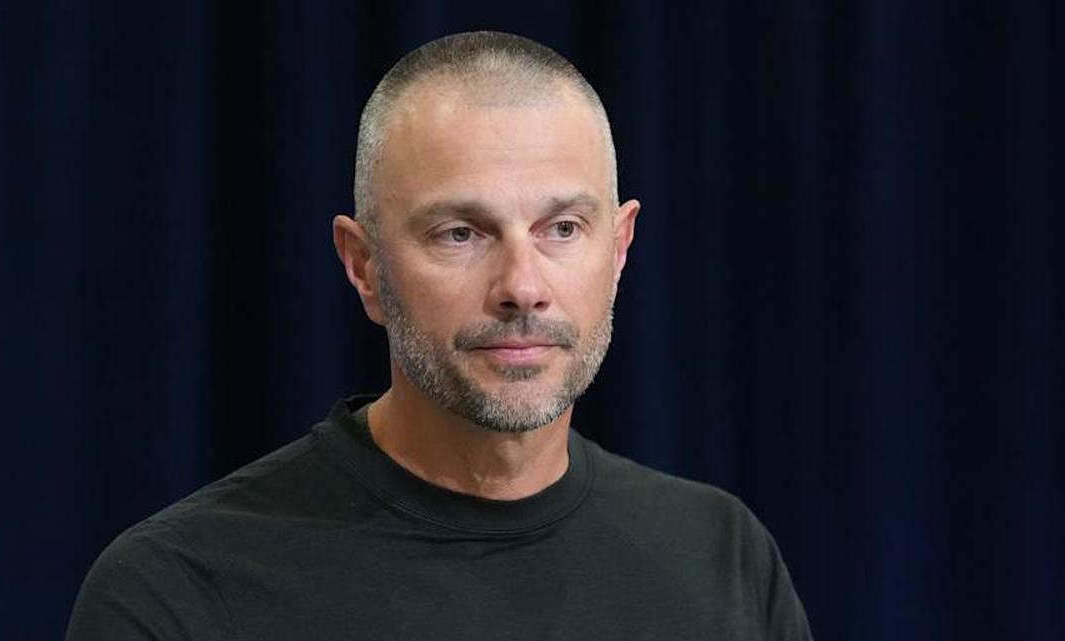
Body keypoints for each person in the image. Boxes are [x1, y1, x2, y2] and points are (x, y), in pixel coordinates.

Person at [66, 31, 813, 640]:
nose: (522, 285)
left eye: (561, 228)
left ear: (618, 249)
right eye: (461, 233)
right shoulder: (177, 592)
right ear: (363, 267)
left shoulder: (723, 558)